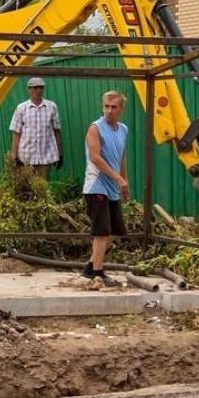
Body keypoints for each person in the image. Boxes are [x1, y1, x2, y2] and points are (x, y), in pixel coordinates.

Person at [81, 90, 130, 285]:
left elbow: (122, 156)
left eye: (114, 107)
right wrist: (117, 178)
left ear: (121, 109)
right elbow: (95, 157)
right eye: (106, 106)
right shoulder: (95, 128)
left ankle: (90, 266)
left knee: (116, 230)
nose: (109, 111)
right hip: (96, 185)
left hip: (113, 187)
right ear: (103, 107)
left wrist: (124, 182)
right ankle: (98, 272)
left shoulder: (123, 129)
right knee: (101, 231)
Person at [8, 77, 62, 179]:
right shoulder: (21, 108)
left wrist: (60, 154)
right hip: (25, 158)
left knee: (42, 188)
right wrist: (14, 156)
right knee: (26, 189)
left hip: (45, 157)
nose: (39, 90)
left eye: (41, 87)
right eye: (35, 87)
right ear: (29, 89)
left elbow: (57, 131)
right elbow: (16, 133)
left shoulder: (51, 107)